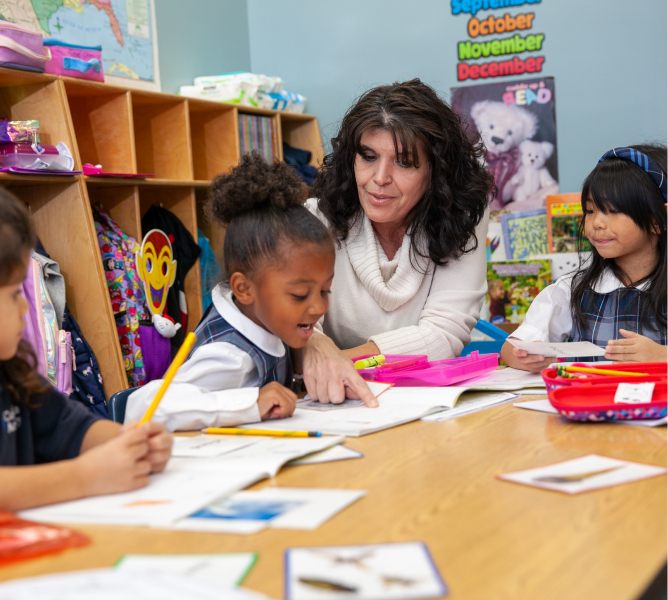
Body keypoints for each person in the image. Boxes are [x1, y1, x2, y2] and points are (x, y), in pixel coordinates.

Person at [300, 79, 494, 405]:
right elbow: (297, 330)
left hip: (424, 402)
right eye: (368, 156)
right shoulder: (315, 220)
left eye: (403, 162)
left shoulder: (461, 218)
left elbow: (443, 335)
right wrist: (313, 348)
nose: (380, 178)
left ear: (436, 170)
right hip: (339, 402)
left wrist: (335, 359)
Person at [125, 155, 336, 430]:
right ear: (244, 289)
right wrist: (249, 403)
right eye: (299, 294)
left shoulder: (264, 315)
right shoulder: (227, 354)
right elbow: (141, 408)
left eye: (325, 291)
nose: (319, 307)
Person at [0, 189, 172, 511]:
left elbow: (68, 425)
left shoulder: (12, 374)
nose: (26, 307)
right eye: (13, 294)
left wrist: (129, 441)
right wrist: (85, 477)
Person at [501, 144, 667, 372]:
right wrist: (524, 356)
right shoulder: (571, 291)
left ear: (657, 221)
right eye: (590, 210)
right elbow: (511, 348)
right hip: (591, 396)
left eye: (613, 210)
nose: (596, 223)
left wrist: (662, 356)